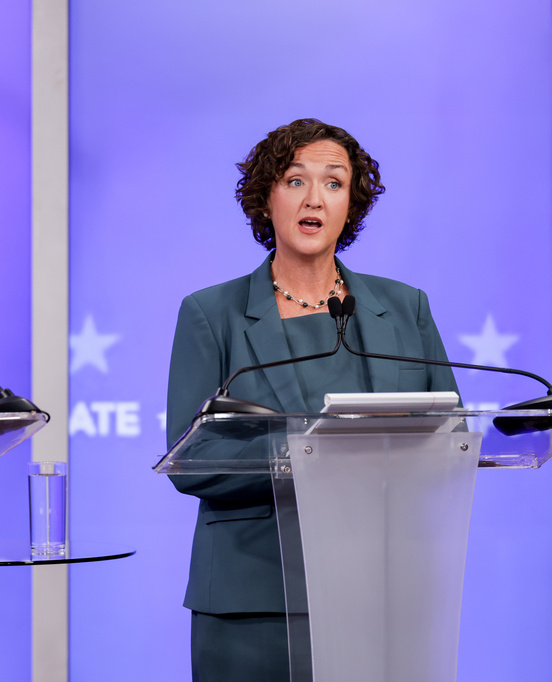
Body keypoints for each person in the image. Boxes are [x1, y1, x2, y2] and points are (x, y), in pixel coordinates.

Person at [165, 118, 459, 681]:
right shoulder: (211, 314)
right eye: (295, 180)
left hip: (380, 589)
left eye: (334, 182)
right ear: (266, 198)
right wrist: (308, 455)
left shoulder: (404, 309)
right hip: (253, 596)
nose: (314, 198)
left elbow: (449, 438)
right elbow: (190, 458)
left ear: (352, 203)